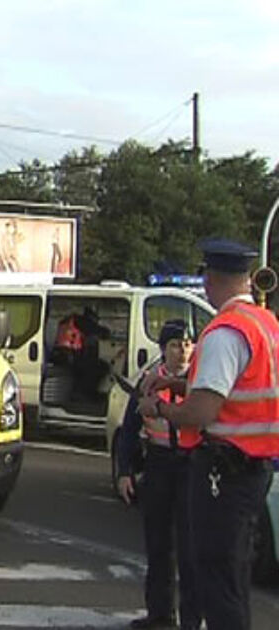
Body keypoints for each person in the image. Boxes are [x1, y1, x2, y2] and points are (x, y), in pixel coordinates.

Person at [138, 238, 279, 630]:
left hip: (224, 470)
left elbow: (201, 412)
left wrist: (161, 406)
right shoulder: (266, 324)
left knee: (216, 577)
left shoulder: (224, 333)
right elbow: (236, 389)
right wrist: (180, 385)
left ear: (211, 279)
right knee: (233, 576)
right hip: (255, 466)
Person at [116, 320, 201, 630]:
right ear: (164, 349)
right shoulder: (149, 383)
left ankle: (192, 619)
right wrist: (124, 472)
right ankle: (160, 615)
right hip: (160, 464)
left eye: (189, 344)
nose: (184, 350)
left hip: (192, 466)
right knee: (158, 544)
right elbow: (128, 430)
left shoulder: (201, 383)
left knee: (191, 549)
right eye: (177, 344)